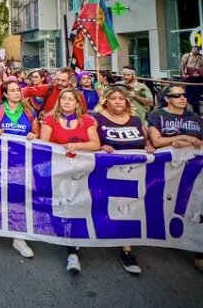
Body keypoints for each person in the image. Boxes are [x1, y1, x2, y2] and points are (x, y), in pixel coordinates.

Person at [92, 84, 155, 275]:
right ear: (106, 101)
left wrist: (150, 146)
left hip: (134, 174)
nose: (118, 102)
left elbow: (146, 141)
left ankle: (126, 250)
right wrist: (101, 148)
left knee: (130, 209)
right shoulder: (96, 118)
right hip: (107, 173)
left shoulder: (136, 120)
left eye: (121, 98)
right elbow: (93, 141)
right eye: (113, 98)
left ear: (127, 101)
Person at [40, 88, 100, 274]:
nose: (66, 102)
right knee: (63, 206)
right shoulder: (50, 119)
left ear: (77, 103)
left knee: (78, 205)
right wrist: (62, 150)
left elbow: (95, 144)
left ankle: (73, 249)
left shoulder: (88, 120)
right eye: (63, 98)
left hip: (82, 171)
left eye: (71, 99)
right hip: (58, 170)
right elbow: (44, 144)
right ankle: (68, 245)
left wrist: (76, 146)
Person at [147, 84, 203, 272]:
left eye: (184, 95)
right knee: (166, 206)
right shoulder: (157, 115)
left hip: (192, 172)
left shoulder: (195, 117)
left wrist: (189, 140)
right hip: (166, 171)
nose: (182, 98)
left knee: (194, 207)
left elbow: (200, 141)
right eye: (176, 95)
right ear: (166, 99)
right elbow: (156, 141)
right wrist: (178, 140)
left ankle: (198, 253)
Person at [0, 78, 37, 258]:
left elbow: (36, 132)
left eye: (18, 89)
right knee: (2, 194)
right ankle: (2, 225)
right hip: (1, 160)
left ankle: (19, 237)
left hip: (23, 161)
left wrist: (34, 134)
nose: (17, 93)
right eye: (12, 90)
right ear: (5, 94)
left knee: (20, 195)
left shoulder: (29, 111)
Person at [23, 67, 87, 118]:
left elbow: (84, 114)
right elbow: (27, 90)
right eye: (58, 79)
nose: (59, 83)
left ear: (70, 80)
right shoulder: (50, 88)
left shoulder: (78, 94)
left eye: (63, 81)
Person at [180, 45, 203, 114]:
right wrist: (183, 74)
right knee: (188, 93)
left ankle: (196, 110)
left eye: (197, 49)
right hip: (189, 76)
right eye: (194, 49)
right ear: (192, 49)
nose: (196, 50)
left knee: (196, 94)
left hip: (198, 76)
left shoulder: (200, 57)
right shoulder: (187, 56)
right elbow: (182, 65)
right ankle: (185, 109)